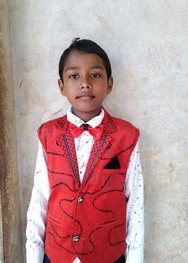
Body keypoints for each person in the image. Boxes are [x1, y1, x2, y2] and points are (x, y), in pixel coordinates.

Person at [26, 38, 144, 263]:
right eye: (74, 76)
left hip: (109, 255)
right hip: (57, 254)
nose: (85, 83)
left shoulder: (126, 136)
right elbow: (39, 198)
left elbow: (135, 202)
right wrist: (33, 256)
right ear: (61, 85)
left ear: (109, 84)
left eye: (95, 75)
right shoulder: (48, 135)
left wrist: (135, 258)